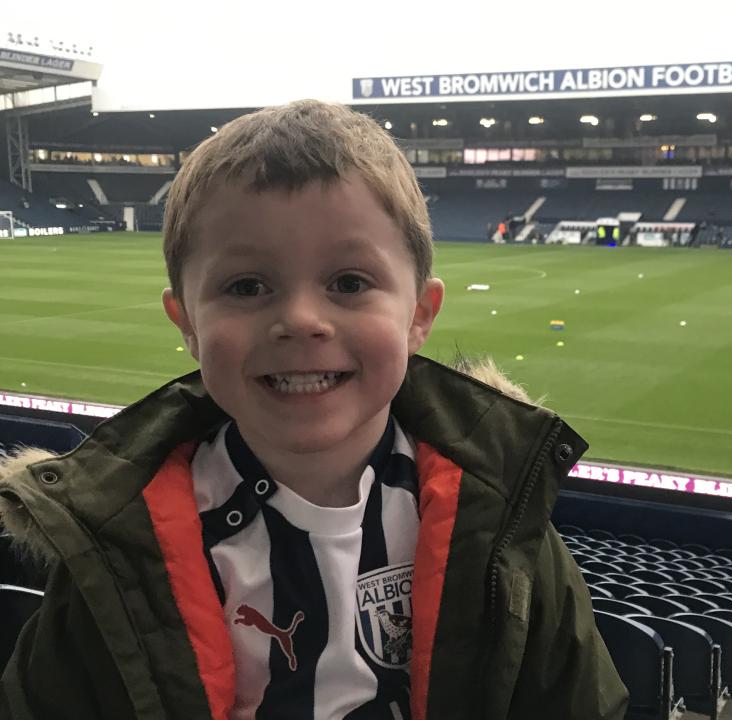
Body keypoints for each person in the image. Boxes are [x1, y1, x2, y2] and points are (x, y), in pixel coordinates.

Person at [0, 100, 626, 720]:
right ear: (187, 324)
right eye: (247, 286)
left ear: (419, 316)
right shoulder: (116, 545)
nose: (300, 319)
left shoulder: (500, 515)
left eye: (349, 282)